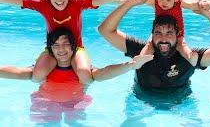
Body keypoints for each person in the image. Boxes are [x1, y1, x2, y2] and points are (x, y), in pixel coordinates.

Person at [0, 0, 137, 84]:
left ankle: (86, 81)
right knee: (37, 75)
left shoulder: (75, 3)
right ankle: (34, 67)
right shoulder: (43, 4)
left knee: (84, 74)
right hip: (52, 48)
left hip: (77, 48)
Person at [0, 28, 153, 123]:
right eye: (56, 45)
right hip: (45, 104)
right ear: (50, 50)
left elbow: (103, 73)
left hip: (75, 104)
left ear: (73, 47)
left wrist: (131, 65)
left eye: (65, 44)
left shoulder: (83, 71)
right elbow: (19, 73)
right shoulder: (45, 69)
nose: (61, 49)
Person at [98, 0, 210, 92]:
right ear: (152, 35)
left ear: (178, 35)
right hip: (141, 104)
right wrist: (129, 4)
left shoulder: (189, 57)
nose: (163, 38)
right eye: (158, 33)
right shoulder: (140, 53)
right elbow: (105, 30)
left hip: (180, 107)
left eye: (169, 33)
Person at [137, 0, 204, 66]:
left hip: (177, 32)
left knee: (181, 44)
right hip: (158, 31)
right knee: (150, 44)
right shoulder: (156, 2)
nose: (164, 3)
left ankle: (190, 57)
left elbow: (192, 6)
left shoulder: (179, 3)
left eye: (168, 0)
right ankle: (140, 59)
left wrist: (201, 4)